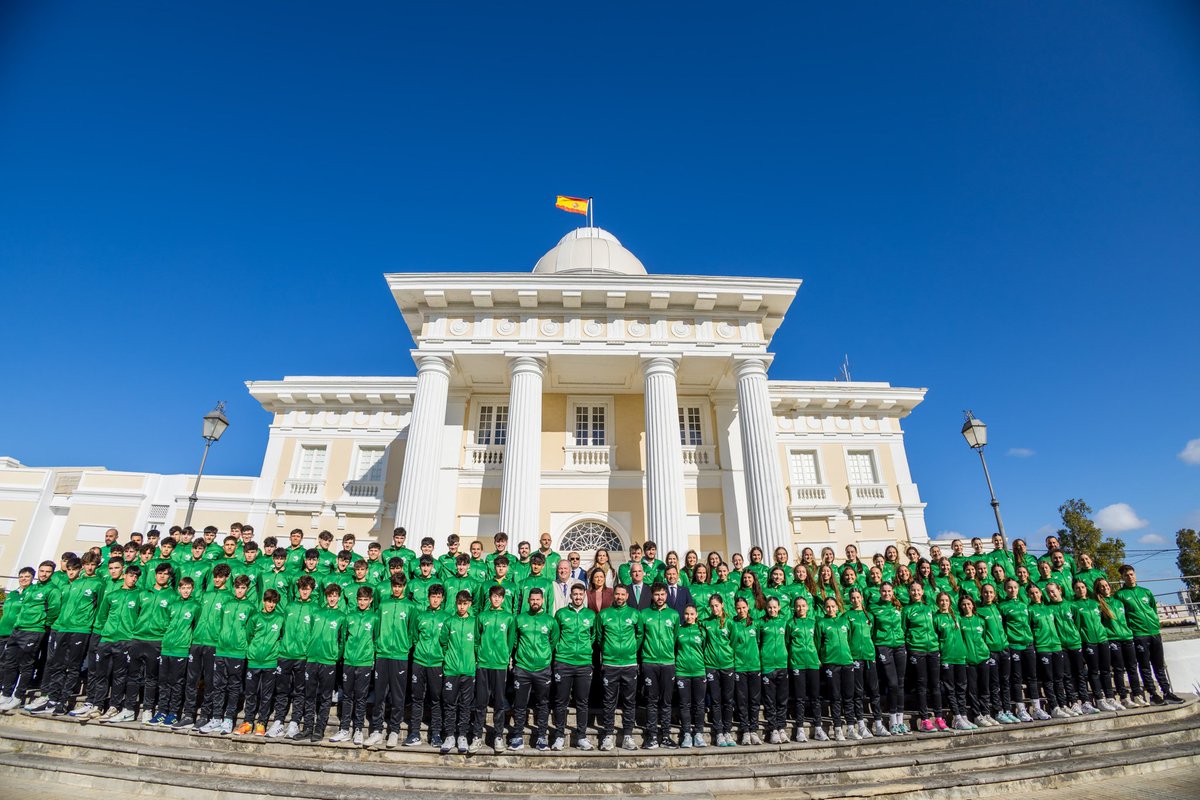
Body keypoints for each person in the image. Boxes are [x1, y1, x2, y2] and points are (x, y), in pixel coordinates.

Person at [30, 555, 100, 716]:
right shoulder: (67, 586)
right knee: (57, 664)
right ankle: (53, 699)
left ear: (79, 569)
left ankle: (64, 700)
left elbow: (99, 606)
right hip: (62, 628)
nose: (71, 572)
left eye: (74, 569)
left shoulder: (97, 584)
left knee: (73, 666)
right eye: (69, 569)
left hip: (81, 629)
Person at [71, 564, 137, 720]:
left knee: (119, 676)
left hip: (124, 640)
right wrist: (102, 637)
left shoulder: (139, 595)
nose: (133, 579)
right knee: (101, 674)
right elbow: (101, 617)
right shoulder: (112, 595)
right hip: (106, 639)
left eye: (136, 577)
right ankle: (97, 706)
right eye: (131, 575)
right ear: (124, 576)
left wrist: (131, 637)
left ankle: (114, 706)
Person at [1116, 564, 1183, 704]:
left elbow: (1152, 608)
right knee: (1145, 665)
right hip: (1139, 634)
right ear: (1122, 578)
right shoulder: (1120, 595)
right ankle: (1153, 694)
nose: (1130, 577)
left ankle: (1166, 692)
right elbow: (1121, 616)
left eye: (1131, 574)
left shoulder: (1146, 591)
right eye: (1126, 575)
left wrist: (1155, 624)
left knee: (1159, 664)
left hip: (1154, 632)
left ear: (1135, 574)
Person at [0, 561, 60, 710]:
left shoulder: (52, 590)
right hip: (18, 629)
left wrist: (41, 622)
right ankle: (6, 694)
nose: (44, 574)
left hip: (34, 630)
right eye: (42, 571)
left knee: (26, 665)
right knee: (10, 663)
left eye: (47, 571)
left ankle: (18, 696)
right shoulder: (31, 589)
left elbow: (54, 609)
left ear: (52, 573)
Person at [202, 573, 255, 735]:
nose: (239, 591)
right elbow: (219, 624)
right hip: (222, 649)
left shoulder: (250, 607)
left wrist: (241, 644)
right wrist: (221, 641)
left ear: (247, 589)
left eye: (243, 588)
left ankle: (228, 719)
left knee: (233, 687)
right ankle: (216, 717)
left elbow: (250, 631)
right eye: (237, 587)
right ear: (233, 588)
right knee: (218, 685)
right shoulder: (226, 604)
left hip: (238, 652)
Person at [369, 573, 414, 747]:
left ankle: (394, 730)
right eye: (394, 586)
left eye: (400, 586)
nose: (397, 589)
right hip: (383, 654)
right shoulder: (383, 604)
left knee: (398, 695)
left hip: (400, 656)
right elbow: (377, 628)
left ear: (404, 587)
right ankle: (377, 730)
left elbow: (412, 632)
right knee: (380, 695)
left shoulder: (410, 607)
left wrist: (404, 647)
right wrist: (379, 646)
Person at [510, 587, 556, 751]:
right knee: (520, 704)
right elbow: (514, 640)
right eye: (532, 599)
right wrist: (521, 656)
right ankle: (517, 736)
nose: (535, 602)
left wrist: (544, 656)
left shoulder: (550, 620)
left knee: (543, 704)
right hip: (522, 668)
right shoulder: (520, 619)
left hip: (543, 668)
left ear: (542, 600)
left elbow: (553, 642)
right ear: (528, 601)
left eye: (538, 599)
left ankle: (542, 737)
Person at [552, 583, 597, 750]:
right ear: (570, 596)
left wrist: (585, 650)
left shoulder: (591, 615)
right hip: (564, 662)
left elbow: (593, 636)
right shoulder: (561, 614)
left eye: (580, 594)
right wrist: (561, 651)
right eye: (575, 594)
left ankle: (581, 736)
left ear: (584, 595)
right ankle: (559, 736)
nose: (578, 597)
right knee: (561, 701)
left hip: (584, 663)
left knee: (582, 702)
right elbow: (555, 636)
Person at [270, 575, 316, 739]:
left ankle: (295, 722)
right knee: (281, 689)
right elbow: (281, 629)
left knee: (299, 691)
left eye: (307, 589)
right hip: (285, 654)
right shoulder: (289, 606)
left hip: (302, 656)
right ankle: (278, 721)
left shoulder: (314, 608)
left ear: (311, 590)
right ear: (298, 589)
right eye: (302, 589)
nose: (304, 592)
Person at [330, 586, 377, 745]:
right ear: (356, 600)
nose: (362, 602)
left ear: (370, 600)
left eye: (365, 599)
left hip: (364, 662)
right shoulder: (349, 617)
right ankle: (344, 729)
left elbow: (375, 639)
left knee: (360, 697)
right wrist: (343, 656)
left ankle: (358, 730)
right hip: (349, 661)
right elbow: (343, 639)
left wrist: (370, 657)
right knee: (347, 695)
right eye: (360, 599)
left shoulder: (374, 618)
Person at [597, 584, 642, 750]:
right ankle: (608, 735)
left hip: (629, 663)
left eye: (623, 594)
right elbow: (599, 637)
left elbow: (639, 635)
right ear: (613, 595)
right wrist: (609, 650)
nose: (620, 597)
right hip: (610, 663)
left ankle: (628, 736)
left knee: (629, 702)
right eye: (617, 594)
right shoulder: (604, 614)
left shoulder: (635, 614)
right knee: (609, 701)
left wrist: (630, 650)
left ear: (627, 596)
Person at [153, 576, 200, 727]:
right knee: (164, 682)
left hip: (181, 650)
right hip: (167, 648)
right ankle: (161, 711)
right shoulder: (172, 605)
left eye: (188, 588)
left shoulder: (195, 606)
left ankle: (173, 713)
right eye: (183, 588)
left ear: (192, 589)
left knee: (177, 682)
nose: (186, 591)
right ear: (178, 589)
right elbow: (167, 623)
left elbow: (196, 625)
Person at [475, 584, 516, 752]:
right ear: (490, 598)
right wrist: (479, 655)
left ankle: (498, 735)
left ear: (503, 598)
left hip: (499, 664)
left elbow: (511, 639)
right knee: (481, 701)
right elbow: (477, 639)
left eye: (499, 596)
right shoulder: (482, 616)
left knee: (499, 702)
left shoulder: (509, 618)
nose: (497, 599)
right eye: (494, 596)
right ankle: (477, 736)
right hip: (484, 663)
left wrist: (505, 657)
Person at [239, 588, 285, 736]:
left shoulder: (280, 618)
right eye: (268, 601)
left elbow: (282, 636)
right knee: (250, 693)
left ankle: (261, 723)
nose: (271, 605)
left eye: (274, 602)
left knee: (266, 695)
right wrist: (253, 650)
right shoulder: (255, 617)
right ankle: (248, 722)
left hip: (270, 661)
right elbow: (249, 635)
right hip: (254, 661)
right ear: (263, 601)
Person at [406, 585, 448, 747]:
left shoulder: (446, 618)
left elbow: (446, 642)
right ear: (428, 598)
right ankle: (414, 732)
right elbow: (415, 637)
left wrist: (440, 655)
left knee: (436, 699)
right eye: (433, 596)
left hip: (437, 663)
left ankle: (436, 733)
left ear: (442, 599)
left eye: (438, 597)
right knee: (417, 698)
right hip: (419, 662)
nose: (435, 600)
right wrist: (421, 651)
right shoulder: (420, 616)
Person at [998, 578, 1044, 722]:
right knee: (1016, 678)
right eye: (1009, 588)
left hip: (1028, 644)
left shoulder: (1026, 606)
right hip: (1014, 646)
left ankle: (1037, 709)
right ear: (1005, 590)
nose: (1012, 590)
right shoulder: (1002, 606)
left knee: (1032, 677)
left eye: (1015, 587)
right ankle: (1021, 710)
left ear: (1019, 589)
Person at [1071, 578, 1119, 712]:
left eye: (1083, 587)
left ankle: (1110, 697)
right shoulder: (1074, 605)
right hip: (1088, 641)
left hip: (1102, 639)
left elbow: (1103, 621)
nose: (1081, 590)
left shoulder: (1095, 603)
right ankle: (1099, 699)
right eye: (1077, 588)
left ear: (1086, 589)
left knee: (1106, 670)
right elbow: (1076, 625)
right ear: (1074, 590)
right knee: (1094, 671)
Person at [440, 590, 479, 754]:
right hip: (451, 670)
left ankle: (462, 734)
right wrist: (449, 660)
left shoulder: (475, 622)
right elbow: (443, 642)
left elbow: (477, 643)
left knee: (465, 704)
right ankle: (449, 735)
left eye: (465, 603)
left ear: (469, 604)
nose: (462, 607)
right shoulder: (449, 622)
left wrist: (473, 661)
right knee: (450, 703)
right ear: (455, 603)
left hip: (468, 670)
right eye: (459, 603)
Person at [639, 583, 677, 749]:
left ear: (666, 595)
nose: (659, 598)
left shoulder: (674, 615)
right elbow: (640, 636)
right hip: (650, 662)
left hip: (668, 662)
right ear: (652, 596)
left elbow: (675, 637)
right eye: (656, 595)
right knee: (652, 700)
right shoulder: (644, 614)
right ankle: (653, 735)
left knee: (666, 701)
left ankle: (666, 736)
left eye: (662, 594)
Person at [1096, 577, 1144, 708]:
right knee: (1118, 668)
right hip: (1113, 639)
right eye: (1102, 586)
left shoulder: (1119, 602)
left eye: (1106, 585)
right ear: (1098, 589)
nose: (1105, 588)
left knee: (1132, 667)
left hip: (1127, 637)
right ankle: (1123, 697)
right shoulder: (1098, 605)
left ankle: (1137, 695)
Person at [902, 581, 944, 732]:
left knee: (935, 684)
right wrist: (910, 645)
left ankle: (939, 717)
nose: (916, 593)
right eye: (913, 590)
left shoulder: (930, 608)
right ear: (909, 592)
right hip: (917, 650)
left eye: (918, 590)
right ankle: (925, 719)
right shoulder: (906, 610)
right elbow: (903, 630)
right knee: (921, 684)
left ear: (922, 591)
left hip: (932, 649)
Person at [844, 587, 885, 737]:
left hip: (869, 656)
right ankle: (861, 725)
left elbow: (872, 635)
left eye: (857, 597)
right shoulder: (847, 616)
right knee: (858, 692)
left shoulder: (870, 616)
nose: (855, 600)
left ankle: (879, 724)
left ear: (862, 598)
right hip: (854, 657)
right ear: (850, 599)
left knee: (874, 690)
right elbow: (846, 637)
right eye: (852, 597)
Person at [814, 594, 856, 741]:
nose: (830, 609)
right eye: (827, 607)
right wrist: (822, 659)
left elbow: (850, 639)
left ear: (837, 607)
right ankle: (837, 728)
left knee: (849, 696)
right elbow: (817, 642)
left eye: (833, 606)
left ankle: (851, 727)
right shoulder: (821, 623)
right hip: (831, 663)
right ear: (824, 609)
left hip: (847, 662)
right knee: (835, 696)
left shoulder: (845, 621)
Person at [868, 582, 908, 734]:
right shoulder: (874, 608)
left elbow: (903, 626)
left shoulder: (898, 607)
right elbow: (872, 628)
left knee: (901, 683)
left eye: (889, 591)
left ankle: (900, 720)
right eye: (883, 591)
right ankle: (892, 720)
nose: (886, 593)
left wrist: (901, 639)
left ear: (892, 592)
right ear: (879, 592)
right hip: (883, 645)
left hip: (899, 645)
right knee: (892, 683)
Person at [932, 590, 972, 731]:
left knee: (961, 688)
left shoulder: (957, 617)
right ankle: (956, 717)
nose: (944, 603)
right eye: (941, 601)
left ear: (950, 602)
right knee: (950, 689)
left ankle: (963, 715)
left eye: (946, 600)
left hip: (960, 656)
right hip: (947, 657)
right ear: (937, 602)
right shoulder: (935, 618)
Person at [702, 594, 737, 747]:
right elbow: (703, 643)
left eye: (717, 605)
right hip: (711, 665)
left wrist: (728, 657)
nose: (715, 608)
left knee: (728, 700)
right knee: (716, 700)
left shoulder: (730, 622)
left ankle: (728, 731)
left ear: (722, 605)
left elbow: (734, 643)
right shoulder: (706, 623)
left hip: (727, 664)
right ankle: (719, 732)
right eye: (712, 606)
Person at [786, 595, 820, 742]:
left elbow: (818, 641)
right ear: (794, 607)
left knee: (815, 697)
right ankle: (800, 729)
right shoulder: (790, 624)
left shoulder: (814, 623)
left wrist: (817, 658)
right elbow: (787, 642)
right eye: (798, 606)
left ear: (807, 607)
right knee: (799, 697)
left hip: (812, 663)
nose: (800, 608)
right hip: (797, 663)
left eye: (803, 606)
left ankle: (818, 727)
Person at [731, 596, 763, 745]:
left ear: (748, 607)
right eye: (738, 608)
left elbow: (759, 642)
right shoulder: (732, 623)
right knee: (742, 700)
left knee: (754, 700)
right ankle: (745, 730)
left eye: (743, 607)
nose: (741, 610)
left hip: (754, 666)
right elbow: (730, 643)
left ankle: (754, 730)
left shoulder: (755, 624)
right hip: (739, 666)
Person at [757, 596, 789, 743]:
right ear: (766, 608)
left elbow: (787, 641)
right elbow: (758, 642)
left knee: (781, 699)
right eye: (770, 607)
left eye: (775, 607)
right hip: (767, 665)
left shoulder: (784, 622)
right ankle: (773, 729)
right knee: (770, 700)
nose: (772, 610)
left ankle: (781, 727)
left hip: (782, 664)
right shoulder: (761, 623)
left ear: (779, 607)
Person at [674, 604, 706, 748]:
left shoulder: (701, 630)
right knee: (684, 704)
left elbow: (706, 648)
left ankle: (698, 733)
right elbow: (674, 648)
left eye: (692, 614)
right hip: (682, 671)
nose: (689, 617)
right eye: (687, 614)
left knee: (699, 704)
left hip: (699, 671)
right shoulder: (679, 630)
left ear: (696, 615)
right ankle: (687, 734)